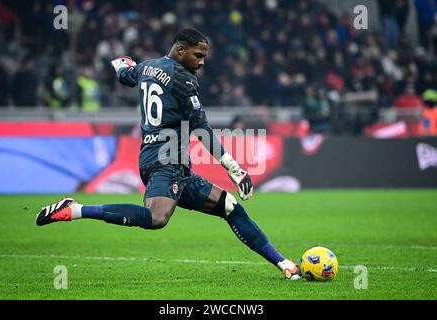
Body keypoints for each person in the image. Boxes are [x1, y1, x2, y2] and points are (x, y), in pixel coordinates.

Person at [35, 28, 301, 280]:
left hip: (171, 164)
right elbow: (201, 128)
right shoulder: (184, 79)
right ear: (181, 49)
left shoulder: (147, 67)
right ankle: (75, 209)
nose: (202, 63)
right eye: (198, 55)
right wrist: (235, 169)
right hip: (166, 160)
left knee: (231, 208)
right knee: (156, 218)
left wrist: (121, 63)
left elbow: (123, 73)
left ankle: (284, 264)